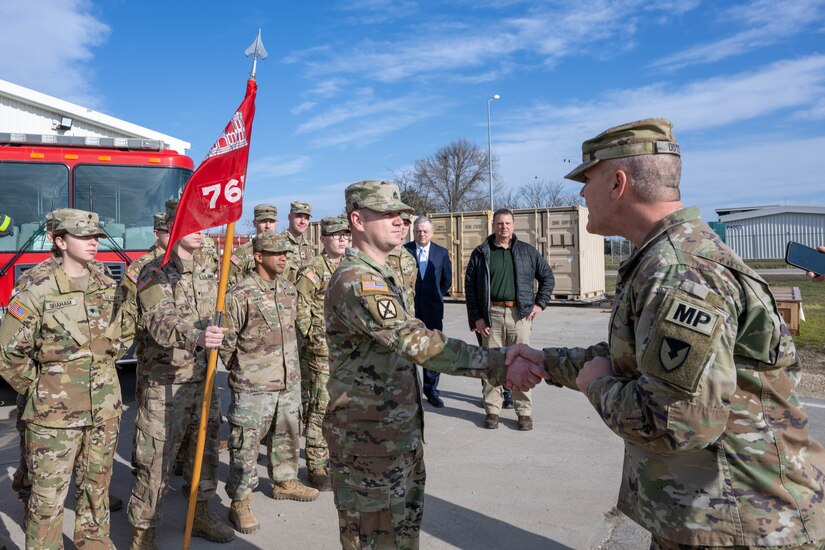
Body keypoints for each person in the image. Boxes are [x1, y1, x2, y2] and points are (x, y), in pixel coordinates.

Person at [506, 118, 825, 548]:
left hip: (740, 523)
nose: (581, 193)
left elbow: (675, 423)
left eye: (587, 179)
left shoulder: (680, 271)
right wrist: (547, 363)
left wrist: (594, 384)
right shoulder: (664, 257)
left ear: (619, 182)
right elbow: (640, 360)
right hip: (707, 515)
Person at [323, 180, 543, 549]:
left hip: (395, 435)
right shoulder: (356, 280)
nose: (400, 220)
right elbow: (417, 342)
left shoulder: (382, 274)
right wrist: (498, 362)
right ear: (358, 220)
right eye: (388, 213)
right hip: (369, 443)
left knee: (403, 536)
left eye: (402, 214)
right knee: (377, 541)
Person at [0, 208, 132, 549]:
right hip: (53, 417)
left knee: (96, 487)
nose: (93, 244)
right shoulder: (37, 289)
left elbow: (119, 337)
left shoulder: (106, 284)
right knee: (47, 500)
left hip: (103, 410)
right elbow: (8, 354)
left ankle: (93, 541)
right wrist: (41, 390)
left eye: (96, 237)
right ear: (60, 241)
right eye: (84, 237)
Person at [128, 199, 234, 548]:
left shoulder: (208, 267)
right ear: (173, 230)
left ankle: (200, 512)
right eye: (194, 225)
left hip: (203, 378)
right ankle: (144, 531)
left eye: (204, 224)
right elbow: (160, 319)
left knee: (205, 451)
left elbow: (223, 311)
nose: (202, 231)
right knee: (156, 457)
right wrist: (196, 335)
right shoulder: (153, 272)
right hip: (166, 382)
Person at [221, 232, 319, 534]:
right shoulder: (239, 294)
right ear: (258, 256)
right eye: (275, 253)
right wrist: (248, 371)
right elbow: (226, 344)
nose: (283, 258)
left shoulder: (288, 290)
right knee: (245, 444)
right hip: (254, 386)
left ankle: (285, 480)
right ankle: (240, 500)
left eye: (285, 254)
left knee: (287, 434)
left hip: (288, 381)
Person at [465, 208, 554, 430]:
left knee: (522, 364)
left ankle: (523, 413)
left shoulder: (527, 252)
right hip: (491, 315)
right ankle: (492, 411)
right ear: (493, 226)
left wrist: (539, 304)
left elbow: (547, 277)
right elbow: (471, 289)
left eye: (507, 223)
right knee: (492, 364)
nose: (503, 227)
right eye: (499, 223)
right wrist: (477, 318)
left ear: (513, 226)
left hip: (520, 316)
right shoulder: (481, 252)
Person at [294, 216, 350, 491]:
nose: (342, 239)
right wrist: (313, 337)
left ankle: (337, 458)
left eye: (345, 235)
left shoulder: (351, 266)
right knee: (320, 408)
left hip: (348, 351)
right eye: (336, 235)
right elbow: (300, 308)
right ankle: (316, 465)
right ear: (324, 239)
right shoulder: (313, 270)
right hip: (322, 350)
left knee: (343, 406)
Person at [404, 215, 452, 408]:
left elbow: (447, 280)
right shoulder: (404, 251)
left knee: (433, 350)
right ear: (413, 232)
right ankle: (409, 391)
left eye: (425, 231)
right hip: (410, 310)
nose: (421, 234)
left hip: (432, 309)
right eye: (418, 231)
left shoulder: (441, 253)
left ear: (431, 233)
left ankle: (431, 390)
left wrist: (437, 294)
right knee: (408, 349)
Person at [228, 203, 278, 286]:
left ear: (277, 223)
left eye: (271, 221)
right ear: (254, 223)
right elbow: (231, 285)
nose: (268, 226)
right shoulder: (242, 253)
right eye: (263, 221)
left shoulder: (285, 252)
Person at [386, 211, 418, 315]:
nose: (403, 227)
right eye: (401, 223)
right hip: (390, 315)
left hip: (409, 316)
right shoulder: (382, 256)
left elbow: (411, 290)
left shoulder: (409, 258)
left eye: (406, 224)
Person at [281, 201, 316, 284]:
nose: (303, 221)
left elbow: (313, 276)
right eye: (299, 217)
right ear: (289, 217)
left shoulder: (308, 245)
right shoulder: (279, 243)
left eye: (306, 218)